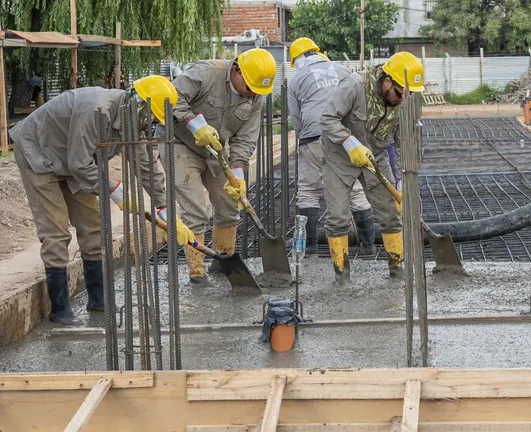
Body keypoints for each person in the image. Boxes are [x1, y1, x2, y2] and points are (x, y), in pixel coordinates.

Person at [9, 76, 194, 324]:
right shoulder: (97, 110)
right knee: (56, 231)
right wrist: (117, 191)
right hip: (40, 154)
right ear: (139, 105)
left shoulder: (131, 122)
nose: (149, 125)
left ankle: (98, 299)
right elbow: (79, 164)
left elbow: (147, 166)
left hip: (76, 161)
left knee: (92, 229)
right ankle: (60, 308)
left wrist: (166, 210)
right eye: (150, 118)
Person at [169, 48, 276, 283]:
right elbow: (171, 95)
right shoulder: (207, 72)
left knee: (229, 206)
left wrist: (237, 173)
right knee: (196, 209)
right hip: (181, 143)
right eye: (250, 88)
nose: (252, 95)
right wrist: (194, 123)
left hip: (217, 150)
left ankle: (223, 260)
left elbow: (246, 138)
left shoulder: (255, 96)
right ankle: (197, 271)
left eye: (257, 91)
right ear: (237, 70)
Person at [320, 52, 424, 282]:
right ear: (387, 81)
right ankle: (342, 276)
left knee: (391, 215)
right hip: (340, 157)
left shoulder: (405, 99)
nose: (402, 100)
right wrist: (349, 142)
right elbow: (327, 118)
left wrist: (403, 181)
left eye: (408, 95)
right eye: (399, 93)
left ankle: (397, 270)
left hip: (375, 157)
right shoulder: (355, 86)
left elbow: (406, 142)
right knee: (338, 217)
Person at [287, 37, 380, 257]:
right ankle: (368, 247)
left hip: (313, 134)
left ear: (297, 59)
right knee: (354, 187)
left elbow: (296, 118)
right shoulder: (342, 69)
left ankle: (308, 250)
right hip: (343, 136)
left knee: (309, 190)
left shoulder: (297, 78)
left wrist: (305, 143)